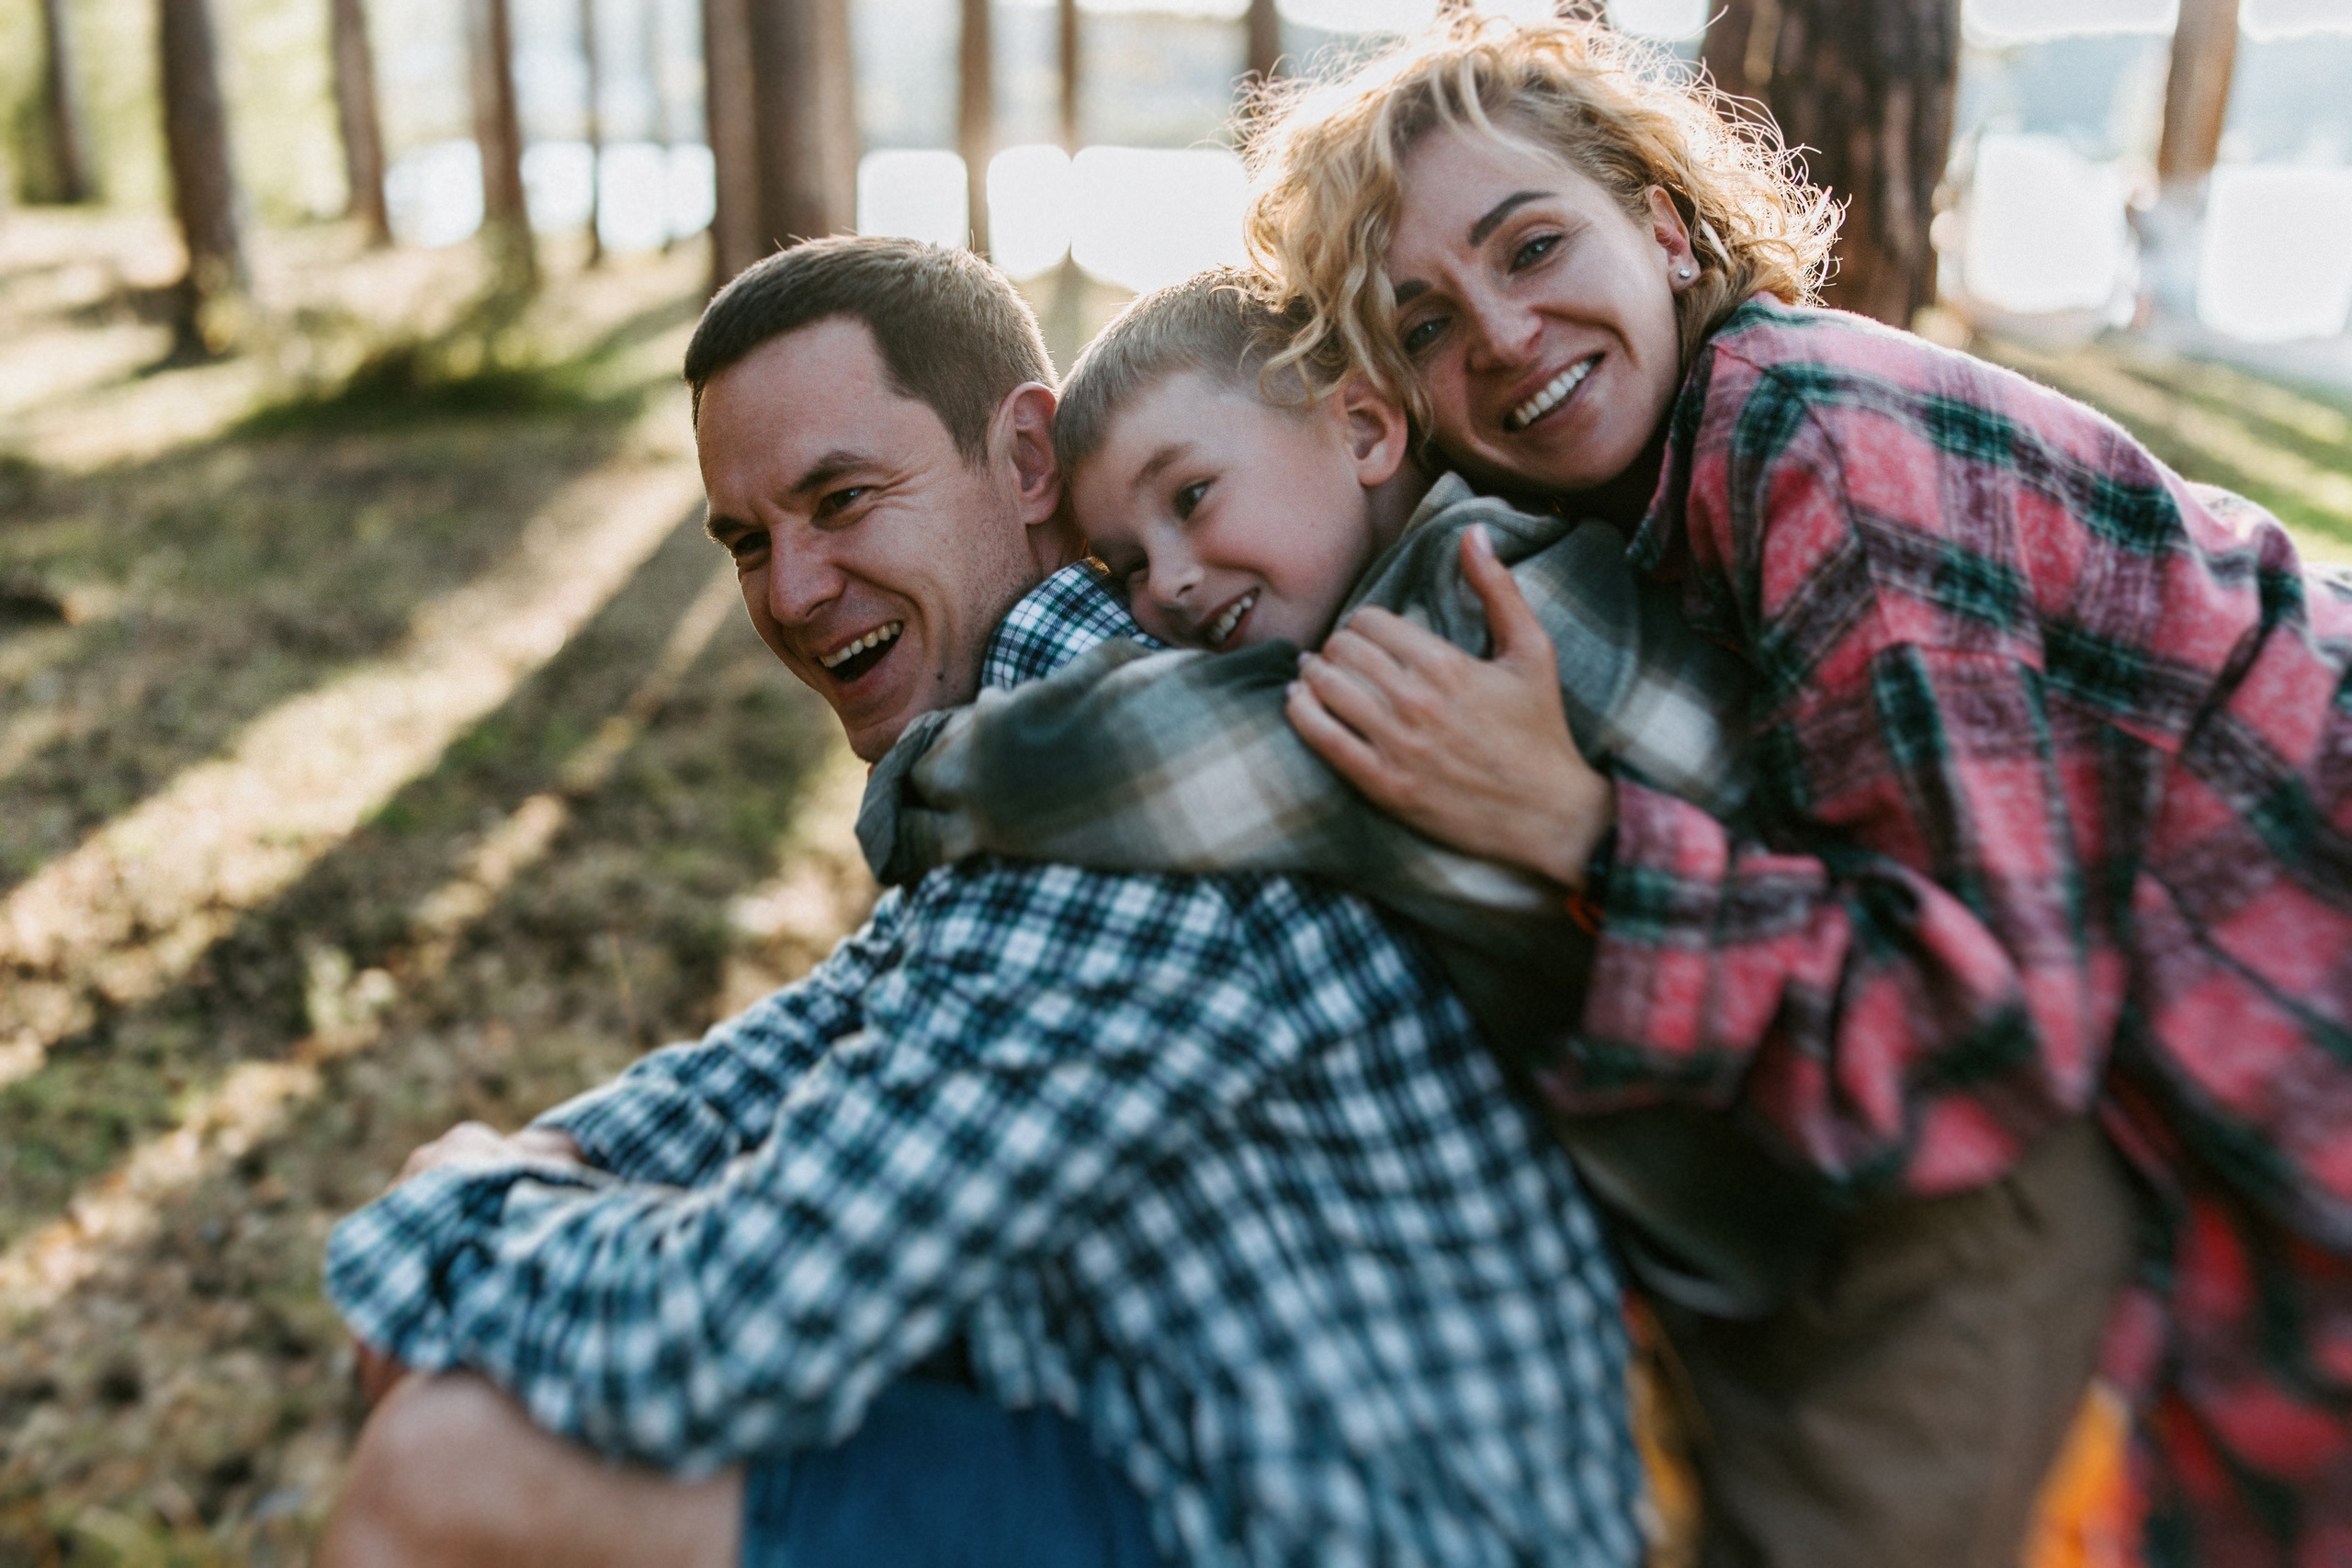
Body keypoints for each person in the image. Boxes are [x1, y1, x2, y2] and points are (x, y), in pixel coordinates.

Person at [315, 235, 1645, 1568]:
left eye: (840, 500)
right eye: (746, 541)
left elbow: (730, 1339)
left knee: (449, 1466)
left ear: (1023, 461)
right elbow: (825, 1032)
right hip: (1189, 1451)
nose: (790, 591)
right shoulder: (1049, 753)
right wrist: (549, 1165)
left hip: (1341, 1532)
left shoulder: (1136, 796)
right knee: (489, 1388)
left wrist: (460, 1228)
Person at [1238, 15, 2352, 1565]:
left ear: (1666, 224)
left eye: (1534, 243)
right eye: (1421, 325)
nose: (1496, 335)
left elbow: (1987, 1037)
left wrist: (1577, 829)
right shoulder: (1660, 495)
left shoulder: (1812, 438)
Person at [862, 258, 2139, 1568]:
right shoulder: (1406, 599)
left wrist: (924, 774)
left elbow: (1179, 769)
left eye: (1194, 499)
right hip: (1789, 1217)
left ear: (1363, 428)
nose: (1172, 584)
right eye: (1126, 564)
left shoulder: (1476, 607)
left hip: (1934, 1210)